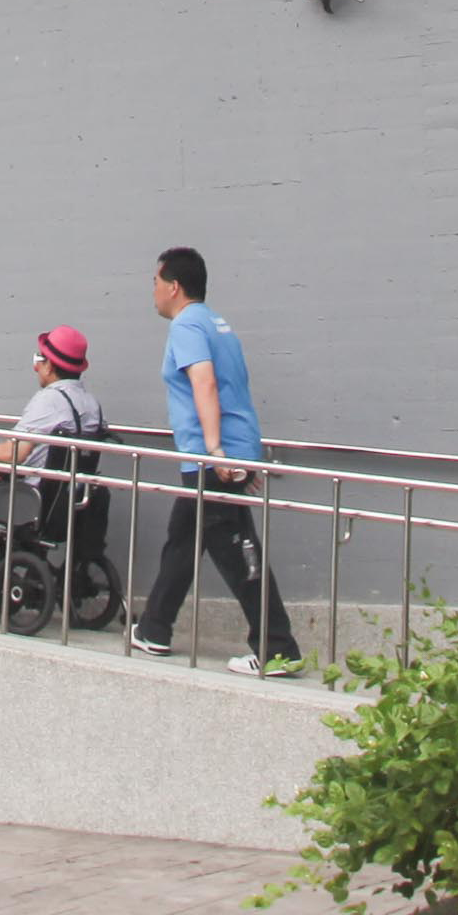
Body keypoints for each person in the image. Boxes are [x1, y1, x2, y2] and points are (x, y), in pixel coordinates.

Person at [128, 247, 304, 672]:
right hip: (223, 452)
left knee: (235, 548)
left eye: (155, 282)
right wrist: (245, 452)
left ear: (173, 286)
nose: (151, 291)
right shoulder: (217, 324)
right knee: (183, 540)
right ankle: (154, 629)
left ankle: (278, 647)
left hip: (212, 459)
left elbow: (205, 383)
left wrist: (216, 452)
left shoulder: (188, 325)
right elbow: (236, 388)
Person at [0, 326, 114, 629]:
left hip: (33, 501)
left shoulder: (48, 402)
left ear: (50, 365)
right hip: (70, 501)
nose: (35, 366)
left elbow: (13, 454)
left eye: (38, 359)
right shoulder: (91, 405)